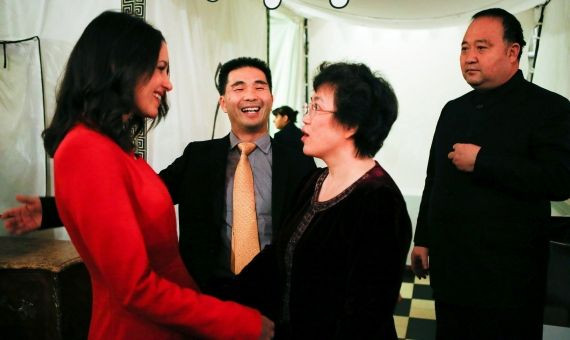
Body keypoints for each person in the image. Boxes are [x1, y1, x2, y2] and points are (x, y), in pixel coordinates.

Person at [34, 11, 274, 339]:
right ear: (120, 65)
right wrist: (237, 322)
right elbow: (135, 287)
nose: (168, 83)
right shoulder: (86, 149)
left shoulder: (115, 149)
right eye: (160, 69)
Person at [2, 57, 316, 290]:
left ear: (271, 98)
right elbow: (138, 195)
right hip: (206, 295)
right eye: (238, 87)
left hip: (276, 297)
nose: (250, 95)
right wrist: (52, 210)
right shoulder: (198, 157)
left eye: (259, 86)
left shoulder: (298, 161)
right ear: (223, 102)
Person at [410, 8, 570, 340]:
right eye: (465, 47)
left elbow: (558, 179)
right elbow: (433, 177)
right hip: (452, 267)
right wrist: (422, 237)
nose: (469, 57)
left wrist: (484, 161)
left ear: (513, 52)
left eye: (481, 47)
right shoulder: (454, 110)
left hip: (510, 275)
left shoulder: (550, 109)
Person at [230, 62, 412, 339]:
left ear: (351, 124)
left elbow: (364, 316)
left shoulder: (380, 202)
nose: (306, 118)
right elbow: (277, 255)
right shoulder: (313, 180)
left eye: (316, 107)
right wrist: (217, 301)